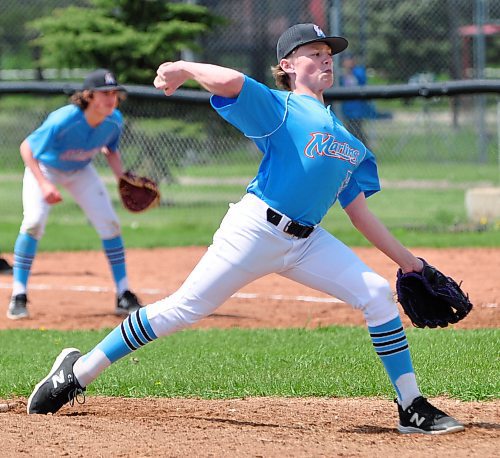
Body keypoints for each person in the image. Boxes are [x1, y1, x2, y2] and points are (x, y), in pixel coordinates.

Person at [27, 24, 464, 435]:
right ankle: (77, 373)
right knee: (184, 309)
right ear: (288, 65)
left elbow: (359, 214)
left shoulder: (351, 144)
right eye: (313, 53)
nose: (325, 59)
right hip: (254, 229)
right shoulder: (280, 107)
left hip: (307, 241)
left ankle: (411, 406)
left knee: (374, 292)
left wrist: (412, 264)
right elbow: (231, 81)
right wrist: (183, 68)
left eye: (328, 54)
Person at [6, 69, 142, 320]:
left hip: (81, 171)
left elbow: (110, 151)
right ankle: (19, 294)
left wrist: (122, 179)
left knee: (110, 225)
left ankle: (124, 293)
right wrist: (44, 185)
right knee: (33, 222)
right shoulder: (64, 119)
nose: (111, 98)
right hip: (46, 168)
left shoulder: (114, 120)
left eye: (114, 93)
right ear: (88, 95)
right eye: (104, 93)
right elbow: (27, 148)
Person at [339, 52, 378, 149]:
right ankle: (357, 151)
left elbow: (362, 82)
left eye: (350, 60)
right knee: (350, 132)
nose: (348, 63)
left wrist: (350, 72)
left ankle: (365, 150)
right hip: (346, 109)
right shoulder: (342, 74)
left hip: (358, 109)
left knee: (357, 131)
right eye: (346, 61)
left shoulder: (358, 72)